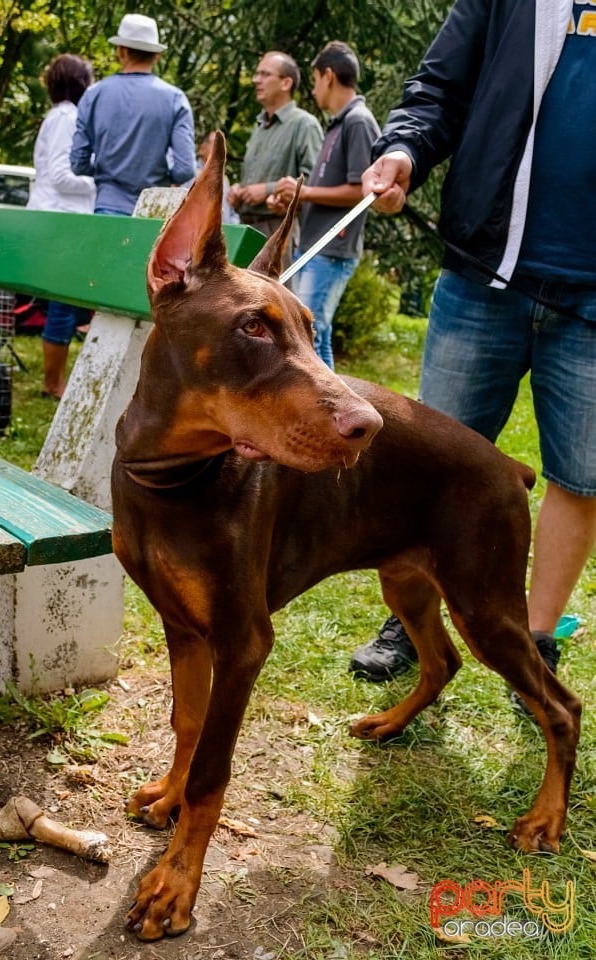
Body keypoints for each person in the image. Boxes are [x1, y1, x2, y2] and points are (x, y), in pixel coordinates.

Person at [350, 0, 596, 713]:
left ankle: (537, 638)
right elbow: (438, 90)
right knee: (427, 464)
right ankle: (412, 622)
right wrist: (401, 150)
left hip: (592, 300)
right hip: (484, 271)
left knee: (579, 476)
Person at [272, 42, 380, 368]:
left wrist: (303, 193)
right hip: (315, 245)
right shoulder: (337, 123)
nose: (314, 88)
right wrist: (296, 203)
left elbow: (363, 190)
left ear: (329, 76)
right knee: (317, 335)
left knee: (308, 334)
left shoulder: (358, 121)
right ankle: (335, 411)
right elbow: (330, 192)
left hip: (333, 249)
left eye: (316, 79)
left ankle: (325, 412)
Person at [70, 13, 195, 216]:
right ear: (157, 55)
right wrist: (161, 178)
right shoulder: (175, 99)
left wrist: (105, 172)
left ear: (121, 51)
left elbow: (78, 163)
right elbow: (185, 168)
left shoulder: (94, 94)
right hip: (154, 210)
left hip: (108, 206)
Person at [27, 54, 95, 399]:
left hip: (56, 216)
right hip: (62, 219)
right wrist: (98, 180)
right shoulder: (68, 117)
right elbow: (60, 175)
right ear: (81, 83)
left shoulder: (59, 116)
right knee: (64, 304)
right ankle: (54, 383)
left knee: (67, 303)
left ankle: (54, 381)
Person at [227, 51, 323, 263]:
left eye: (264, 74)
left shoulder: (304, 124)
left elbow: (316, 184)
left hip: (278, 232)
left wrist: (268, 190)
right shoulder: (260, 126)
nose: (256, 80)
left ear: (286, 83)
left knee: (275, 296)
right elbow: (255, 180)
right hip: (246, 229)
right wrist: (238, 190)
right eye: (256, 74)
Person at [197, 131, 240, 225]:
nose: (221, 148)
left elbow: (231, 213)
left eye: (223, 144)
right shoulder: (191, 176)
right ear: (202, 149)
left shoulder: (224, 180)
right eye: (217, 143)